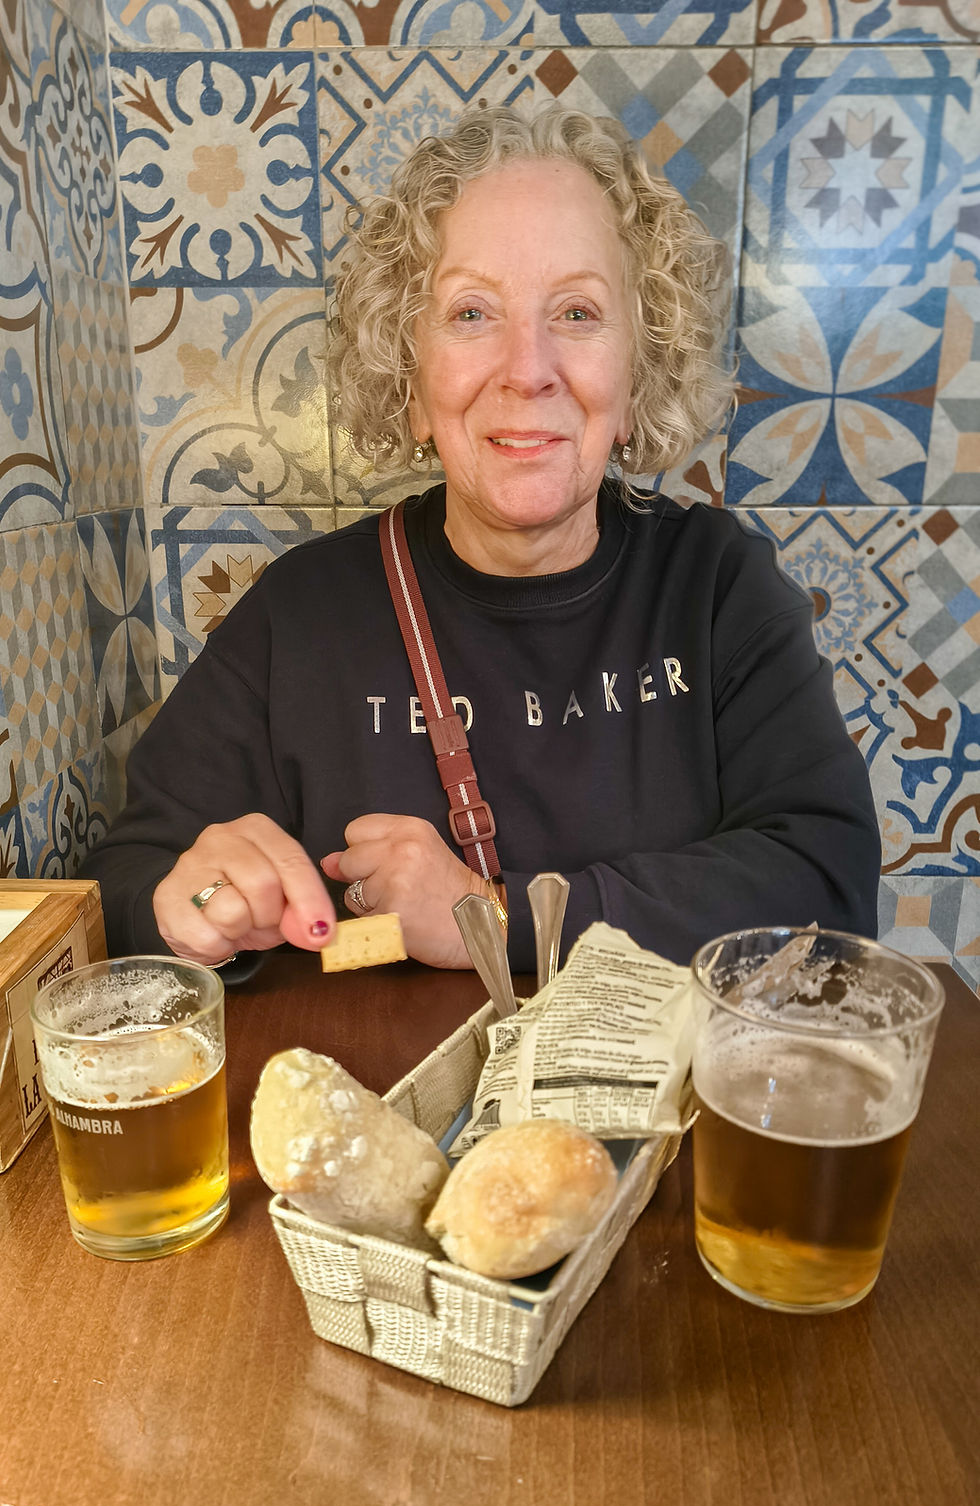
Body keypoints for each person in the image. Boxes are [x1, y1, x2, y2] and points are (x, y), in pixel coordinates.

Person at [83, 106, 880, 979]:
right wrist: (192, 906)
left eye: (577, 312)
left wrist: (493, 916)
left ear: (637, 370)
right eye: (471, 313)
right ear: (413, 382)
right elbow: (126, 885)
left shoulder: (718, 586)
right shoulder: (301, 614)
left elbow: (826, 883)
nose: (527, 366)